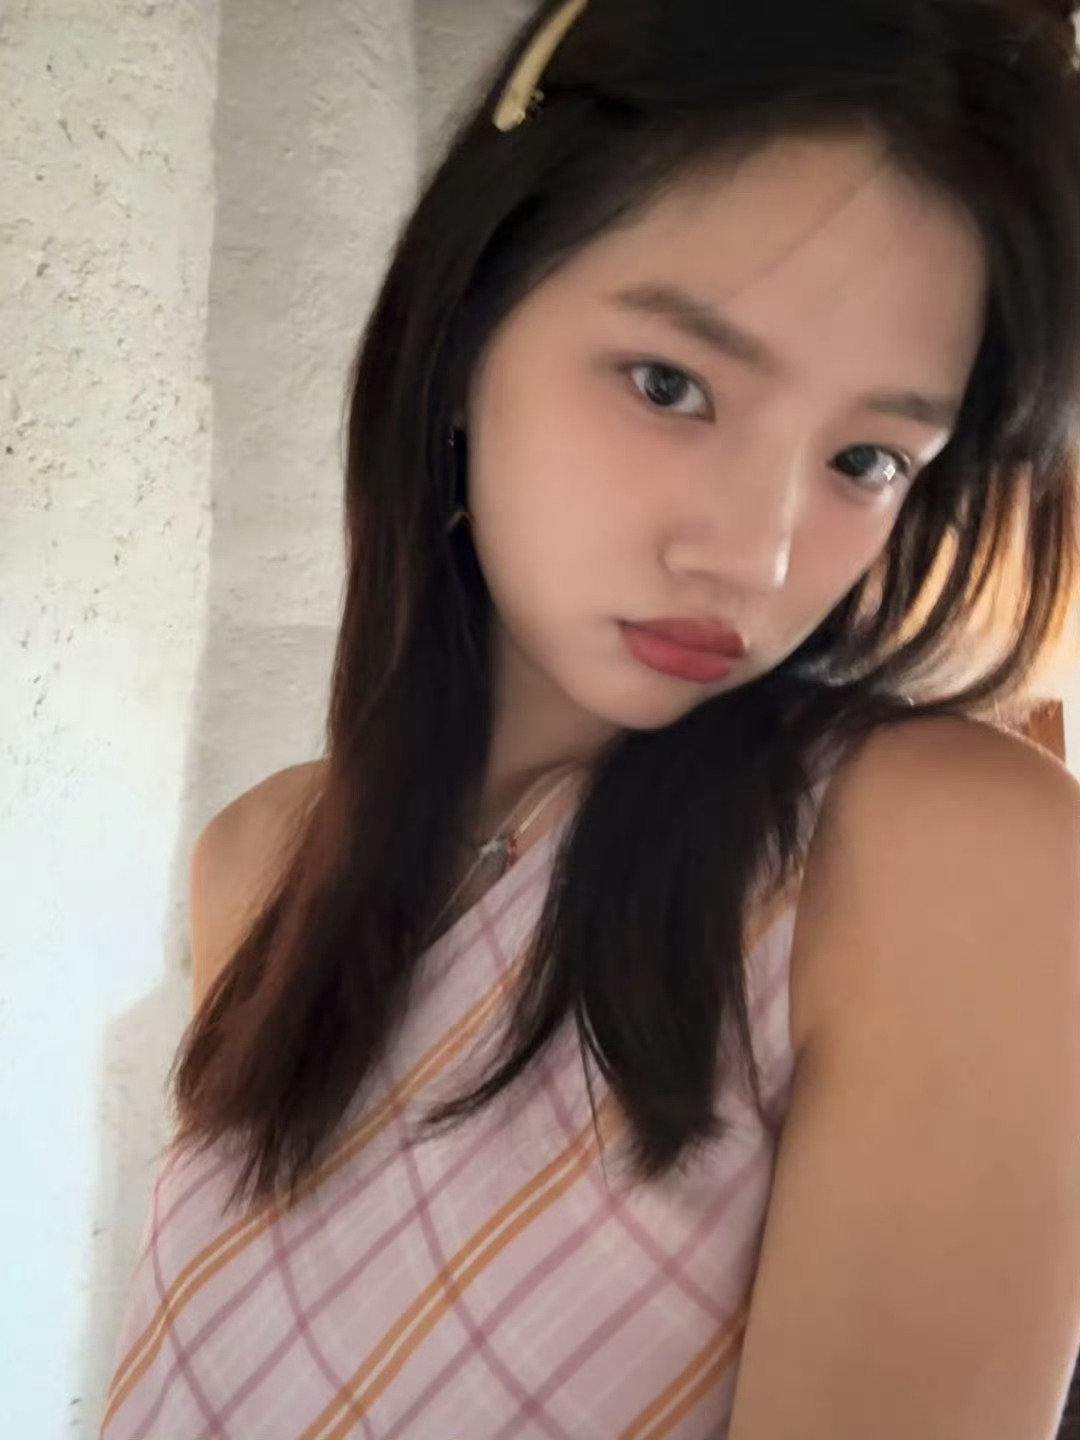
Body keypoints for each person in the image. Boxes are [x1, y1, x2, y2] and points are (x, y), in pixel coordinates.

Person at [100, 0, 1080, 1435]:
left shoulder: (942, 861)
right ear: (463, 329)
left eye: (868, 458)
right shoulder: (260, 861)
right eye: (672, 385)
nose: (754, 555)